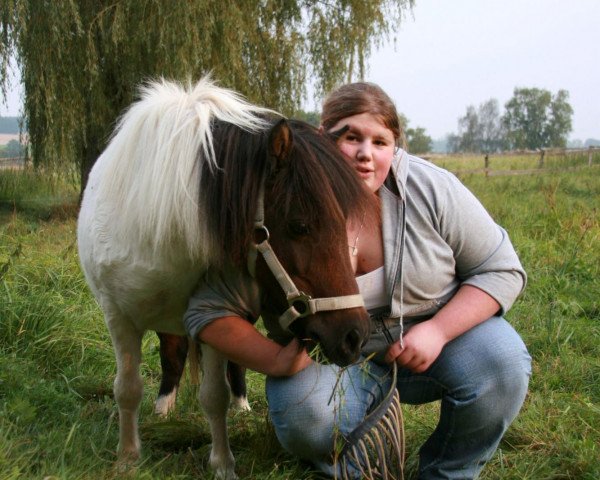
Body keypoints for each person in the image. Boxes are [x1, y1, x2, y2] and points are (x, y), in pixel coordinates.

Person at [184, 82, 531, 479]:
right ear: (321, 138)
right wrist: (275, 359)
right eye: (351, 137)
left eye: (381, 142)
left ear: (395, 148)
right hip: (329, 364)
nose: (366, 154)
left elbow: (501, 269)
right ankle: (357, 468)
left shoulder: (432, 188)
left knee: (502, 362)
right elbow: (208, 308)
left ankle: (448, 471)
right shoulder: (280, 201)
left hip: (432, 349)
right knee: (304, 414)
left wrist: (437, 330)